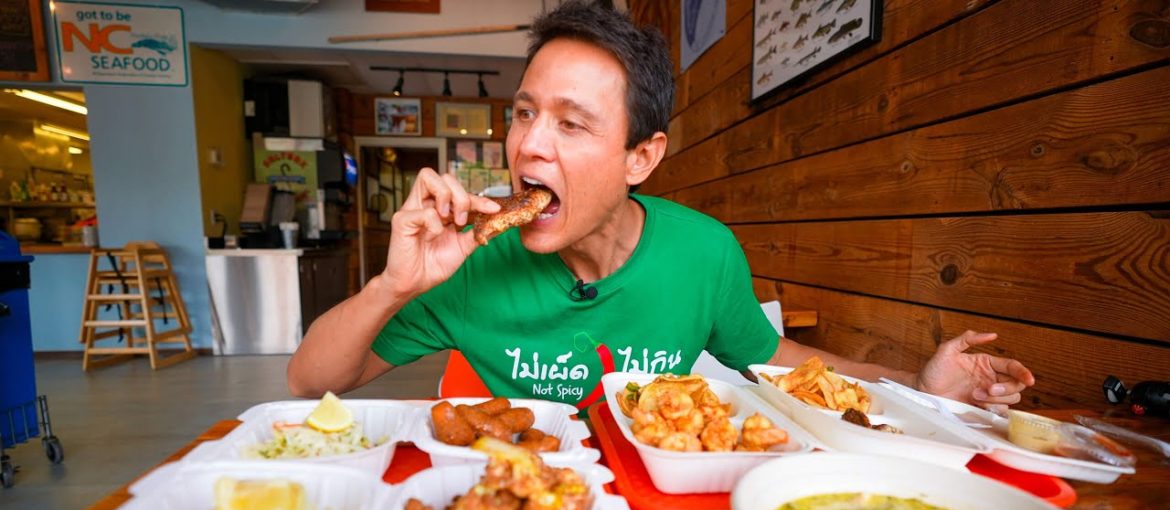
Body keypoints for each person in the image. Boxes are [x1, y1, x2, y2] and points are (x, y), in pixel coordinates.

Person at [288, 0, 1033, 412]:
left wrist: (919, 385)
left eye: (571, 124)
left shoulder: (704, 254)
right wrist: (394, 286)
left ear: (641, 157)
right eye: (522, 114)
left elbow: (785, 363)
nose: (528, 148)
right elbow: (310, 382)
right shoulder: (469, 261)